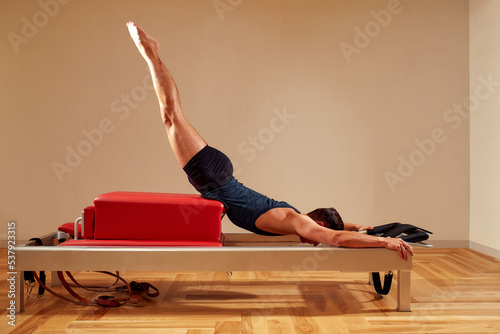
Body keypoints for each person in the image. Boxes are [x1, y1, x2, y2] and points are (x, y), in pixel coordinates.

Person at [126, 22, 414, 260]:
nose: (316, 242)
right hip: (213, 177)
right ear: (319, 223)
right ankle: (150, 51)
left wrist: (365, 229)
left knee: (172, 117)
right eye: (317, 236)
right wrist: (385, 244)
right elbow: (335, 238)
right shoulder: (298, 221)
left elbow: (338, 229)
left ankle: (151, 53)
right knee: (171, 116)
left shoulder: (297, 216)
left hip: (218, 176)